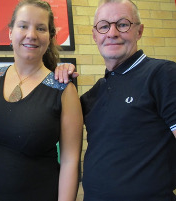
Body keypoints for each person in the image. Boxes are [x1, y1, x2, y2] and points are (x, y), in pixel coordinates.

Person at [57, 0, 176, 200]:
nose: (112, 33)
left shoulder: (162, 74)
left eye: (122, 24)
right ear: (95, 36)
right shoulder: (95, 93)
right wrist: (60, 76)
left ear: (139, 31)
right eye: (104, 26)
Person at [0, 0, 83, 200]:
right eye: (23, 26)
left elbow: (70, 161)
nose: (31, 35)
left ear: (51, 37)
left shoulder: (63, 90)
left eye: (41, 28)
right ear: (10, 32)